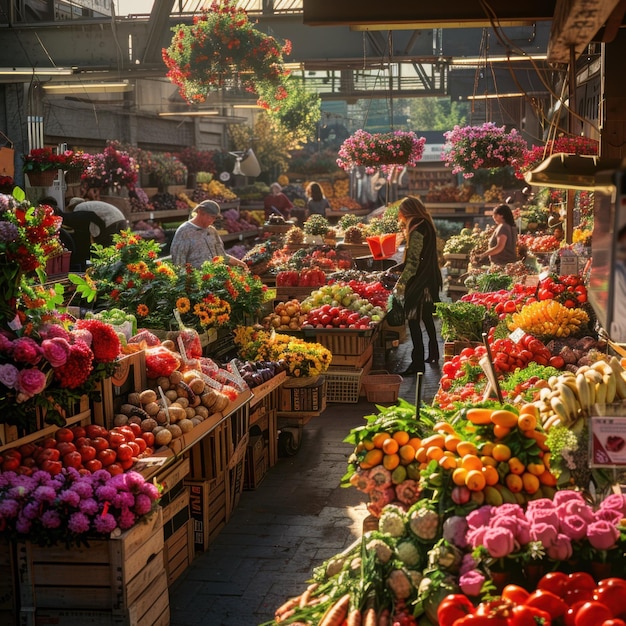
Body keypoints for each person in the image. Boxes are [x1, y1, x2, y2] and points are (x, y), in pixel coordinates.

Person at [392, 196, 442, 376]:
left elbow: (413, 262)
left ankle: (417, 362)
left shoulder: (417, 229)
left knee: (413, 320)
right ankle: (434, 353)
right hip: (430, 280)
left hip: (420, 283)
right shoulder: (426, 224)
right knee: (427, 318)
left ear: (405, 212)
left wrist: (400, 285)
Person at [169, 199, 248, 270]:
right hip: (196, 281)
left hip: (215, 279)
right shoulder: (184, 231)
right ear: (200, 212)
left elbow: (222, 256)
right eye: (211, 217)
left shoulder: (212, 231)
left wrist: (241, 264)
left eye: (215, 218)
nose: (213, 221)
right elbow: (178, 264)